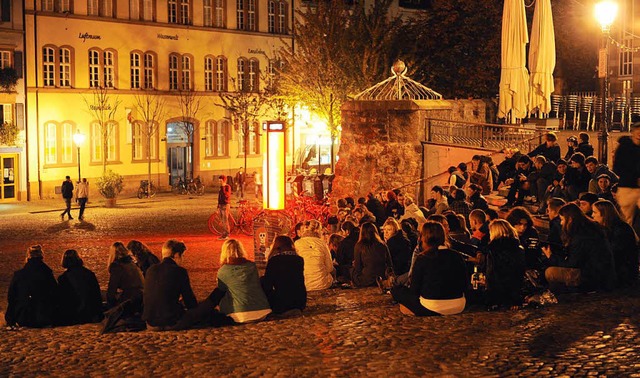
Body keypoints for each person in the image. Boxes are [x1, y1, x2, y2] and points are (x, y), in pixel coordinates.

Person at [390, 222, 467, 316]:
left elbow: (414, 289)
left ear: (424, 238)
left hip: (431, 305)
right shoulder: (457, 256)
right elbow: (464, 283)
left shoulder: (422, 258)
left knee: (397, 290)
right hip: (458, 304)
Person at [542, 203, 616, 292]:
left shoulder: (580, 237)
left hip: (594, 277)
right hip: (600, 273)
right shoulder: (589, 228)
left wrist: (551, 256)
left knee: (550, 272)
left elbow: (572, 264)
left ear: (569, 220)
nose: (561, 223)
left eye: (562, 220)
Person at [142, 240, 200, 329]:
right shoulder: (180, 271)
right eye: (182, 256)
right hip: (171, 320)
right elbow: (190, 301)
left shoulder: (151, 270)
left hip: (150, 321)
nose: (183, 259)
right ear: (176, 255)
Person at [217, 239, 271, 323]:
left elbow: (220, 292)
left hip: (237, 314)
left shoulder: (223, 271)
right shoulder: (252, 266)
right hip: (262, 311)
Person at [5, 245, 58, 328]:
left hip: (24, 317)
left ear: (28, 256)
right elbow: (55, 293)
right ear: (41, 255)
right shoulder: (47, 273)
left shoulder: (19, 274)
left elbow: (11, 297)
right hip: (44, 316)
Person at [592, 200, 639, 287]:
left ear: (604, 214)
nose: (592, 215)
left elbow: (615, 253)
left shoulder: (621, 229)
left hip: (623, 272)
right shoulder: (605, 228)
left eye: (595, 212)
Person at [485, 220, 526, 309]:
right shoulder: (519, 248)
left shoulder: (493, 250)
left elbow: (491, 275)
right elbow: (519, 273)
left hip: (498, 295)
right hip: (514, 294)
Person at [261, 235, 307, 314]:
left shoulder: (274, 260)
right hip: (300, 301)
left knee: (262, 281)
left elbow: (268, 283)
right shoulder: (299, 259)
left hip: (282, 303)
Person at [56, 249, 103, 326]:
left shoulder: (63, 278)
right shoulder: (89, 274)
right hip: (89, 312)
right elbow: (96, 295)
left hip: (73, 314)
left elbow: (62, 299)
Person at [612, 122, 640, 227]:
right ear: (633, 132)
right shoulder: (624, 147)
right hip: (628, 188)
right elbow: (618, 168)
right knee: (627, 220)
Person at [295, 220, 334, 291]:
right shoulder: (322, 243)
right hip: (322, 284)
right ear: (317, 230)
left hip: (304, 283)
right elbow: (329, 267)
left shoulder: (297, 243)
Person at [106, 241, 144, 312]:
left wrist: (110, 308)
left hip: (130, 301)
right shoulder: (132, 263)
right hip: (141, 298)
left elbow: (111, 291)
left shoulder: (117, 267)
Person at [352, 222, 390, 288]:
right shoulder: (382, 244)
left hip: (367, 278)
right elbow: (389, 262)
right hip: (381, 276)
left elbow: (358, 266)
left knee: (351, 270)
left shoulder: (359, 246)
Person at [217, 175, 232, 240]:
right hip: (221, 205)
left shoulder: (227, 187)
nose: (220, 182)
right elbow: (219, 197)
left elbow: (226, 195)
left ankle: (227, 234)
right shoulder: (221, 187)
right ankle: (224, 233)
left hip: (225, 205)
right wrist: (218, 206)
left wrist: (223, 187)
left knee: (225, 220)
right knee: (222, 221)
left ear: (224, 180)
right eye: (219, 181)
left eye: (221, 181)